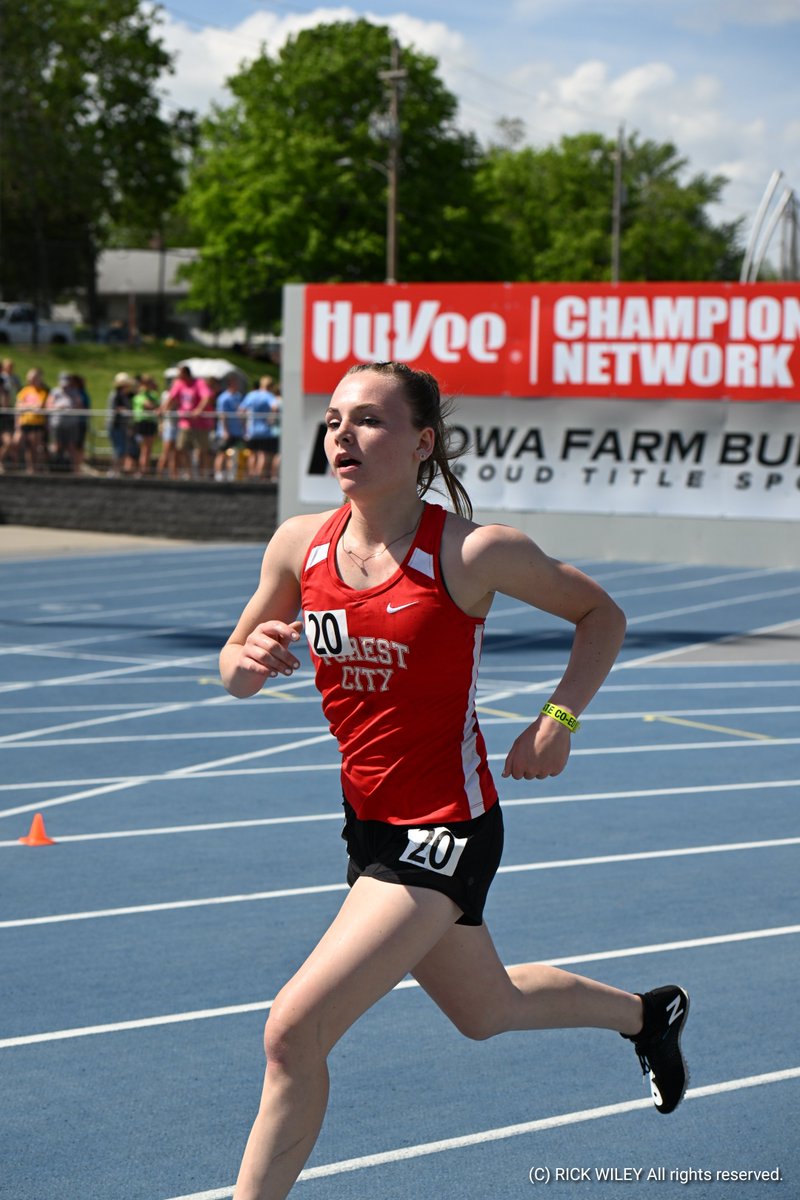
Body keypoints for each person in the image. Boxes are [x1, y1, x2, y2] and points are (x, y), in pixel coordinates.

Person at [220, 361, 690, 1200]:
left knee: (293, 1032)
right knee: (489, 1013)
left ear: (422, 441)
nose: (343, 436)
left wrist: (560, 721)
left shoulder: (473, 551)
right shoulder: (300, 543)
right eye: (333, 421)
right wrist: (246, 658)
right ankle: (648, 1015)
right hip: (368, 825)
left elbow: (602, 616)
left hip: (446, 826)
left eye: (368, 420)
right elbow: (235, 665)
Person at [240, 375, 278, 480]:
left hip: (251, 430)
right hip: (264, 430)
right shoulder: (269, 395)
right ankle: (259, 476)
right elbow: (274, 407)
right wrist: (271, 420)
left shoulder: (251, 395)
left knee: (252, 454)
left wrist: (243, 425)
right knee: (262, 454)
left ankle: (252, 474)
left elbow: (241, 410)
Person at [46, 372, 83, 471]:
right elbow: (48, 406)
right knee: (56, 445)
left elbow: (80, 406)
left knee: (72, 446)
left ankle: (76, 470)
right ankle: (52, 468)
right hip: (57, 423)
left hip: (71, 424)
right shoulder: (55, 392)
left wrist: (72, 406)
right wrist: (58, 407)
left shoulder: (75, 392)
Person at [14, 367, 49, 473]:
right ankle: (27, 467)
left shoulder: (44, 391)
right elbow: (19, 406)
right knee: (19, 444)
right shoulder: (25, 390)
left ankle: (36, 467)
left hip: (37, 423)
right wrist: (31, 407)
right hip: (25, 422)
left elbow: (40, 406)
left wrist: (27, 406)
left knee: (35, 446)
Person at [213, 376, 245, 480]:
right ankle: (218, 474)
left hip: (237, 431)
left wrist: (244, 428)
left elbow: (241, 413)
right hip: (225, 432)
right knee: (222, 453)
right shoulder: (223, 398)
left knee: (233, 453)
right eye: (235, 383)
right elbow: (222, 415)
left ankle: (231, 473)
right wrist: (225, 431)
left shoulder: (238, 396)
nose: (237, 385)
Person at [106, 372, 136, 476]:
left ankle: (117, 470)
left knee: (122, 449)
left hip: (122, 425)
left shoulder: (126, 395)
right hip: (115, 425)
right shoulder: (115, 395)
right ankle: (114, 470)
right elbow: (114, 409)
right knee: (119, 449)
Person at [131, 374, 160, 476]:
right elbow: (148, 405)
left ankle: (144, 469)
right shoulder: (140, 395)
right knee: (143, 448)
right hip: (141, 423)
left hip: (150, 423)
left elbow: (158, 405)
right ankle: (142, 470)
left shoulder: (153, 395)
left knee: (148, 448)